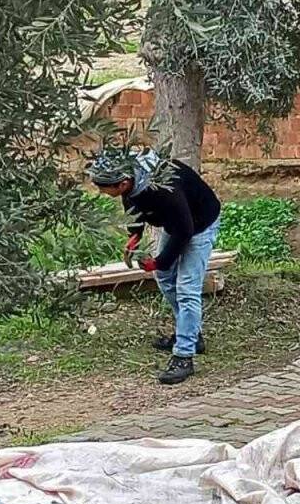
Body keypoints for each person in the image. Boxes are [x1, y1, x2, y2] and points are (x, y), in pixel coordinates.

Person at [88, 149, 221, 385]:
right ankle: (190, 334)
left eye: (103, 187)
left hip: (198, 224)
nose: (101, 191)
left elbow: (185, 231)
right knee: (164, 278)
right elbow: (132, 205)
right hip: (178, 223)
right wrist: (134, 236)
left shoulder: (163, 189)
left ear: (123, 182)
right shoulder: (132, 181)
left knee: (187, 289)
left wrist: (159, 262)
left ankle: (184, 356)